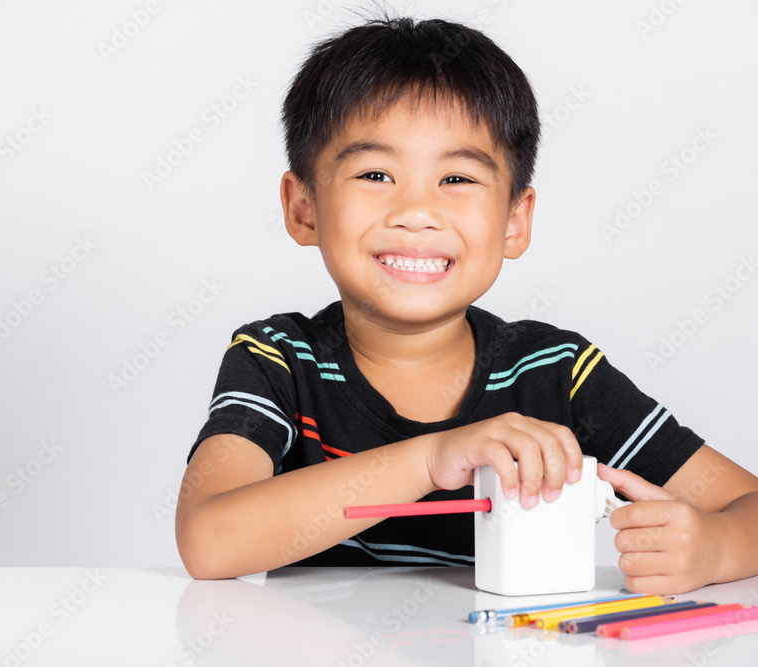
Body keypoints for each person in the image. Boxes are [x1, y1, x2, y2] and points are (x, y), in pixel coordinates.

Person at [174, 14, 758, 595]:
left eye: (457, 179)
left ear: (515, 220)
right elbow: (209, 540)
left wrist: (716, 547)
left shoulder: (556, 373)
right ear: (303, 207)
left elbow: (747, 505)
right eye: (376, 173)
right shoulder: (279, 359)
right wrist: (432, 459)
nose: (418, 211)